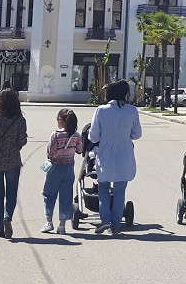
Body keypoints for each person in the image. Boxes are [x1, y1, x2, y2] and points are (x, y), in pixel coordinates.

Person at [88, 81, 142, 235]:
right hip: (124, 154)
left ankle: (105, 220)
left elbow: (93, 136)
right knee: (120, 190)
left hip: (105, 154)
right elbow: (137, 134)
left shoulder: (101, 110)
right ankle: (116, 224)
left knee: (103, 187)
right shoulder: (131, 111)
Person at [0, 88, 28, 238]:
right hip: (13, 160)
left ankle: (0, 229)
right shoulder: (20, 120)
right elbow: (22, 141)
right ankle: (8, 216)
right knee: (11, 193)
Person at [41, 108, 82, 234]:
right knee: (66, 196)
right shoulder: (76, 136)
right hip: (69, 167)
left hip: (55, 167)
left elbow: (50, 152)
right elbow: (80, 150)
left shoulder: (55, 135)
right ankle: (62, 225)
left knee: (49, 194)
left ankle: (49, 222)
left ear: (61, 121)